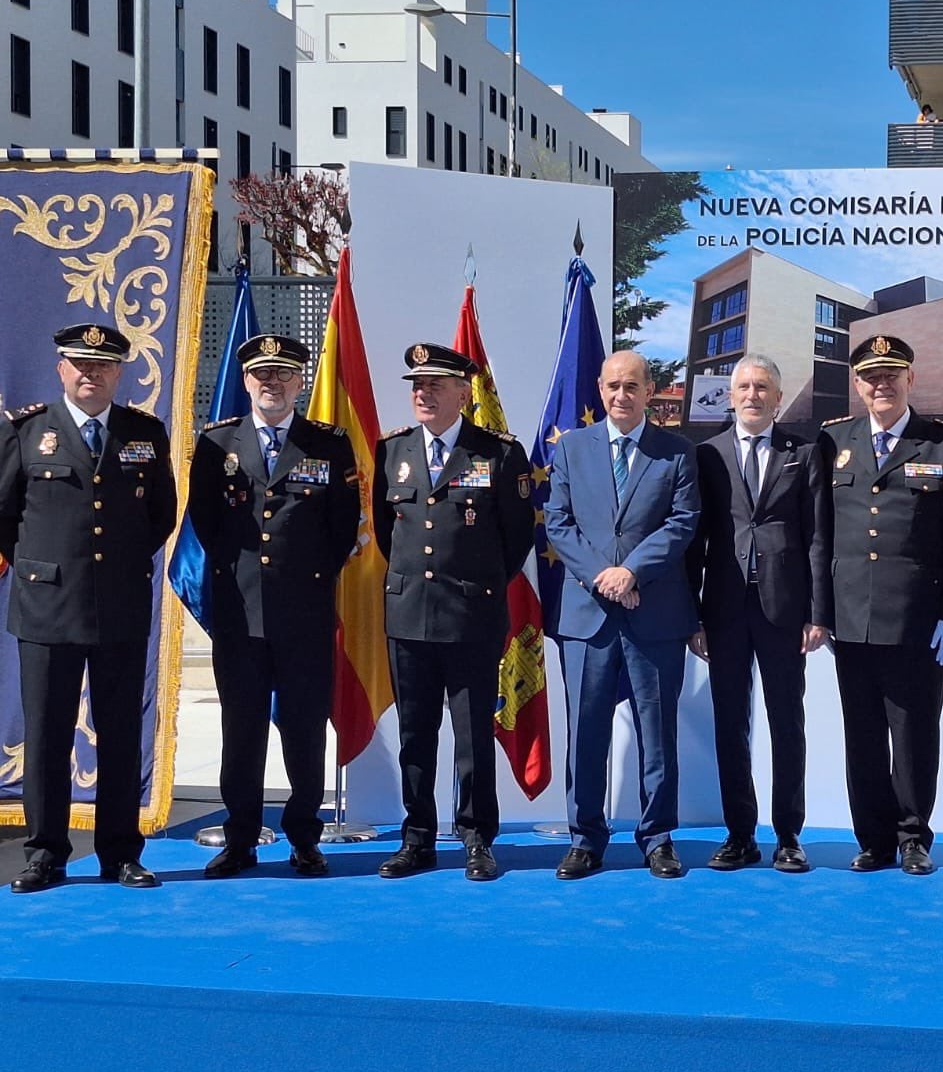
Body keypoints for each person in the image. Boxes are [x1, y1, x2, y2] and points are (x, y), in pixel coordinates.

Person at [0, 323, 176, 892]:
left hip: (118, 605)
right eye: (80, 364)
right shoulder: (25, 430)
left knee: (119, 733)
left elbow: (160, 513)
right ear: (61, 369)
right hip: (46, 609)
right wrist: (40, 568)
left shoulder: (144, 433)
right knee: (47, 734)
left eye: (103, 366)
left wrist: (115, 566)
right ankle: (45, 854)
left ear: (120, 373)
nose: (91, 374)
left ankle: (120, 853)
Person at [187, 334, 360, 880]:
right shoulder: (218, 443)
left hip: (304, 611)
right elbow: (206, 523)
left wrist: (302, 581)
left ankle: (305, 839)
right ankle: (240, 839)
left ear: (299, 382)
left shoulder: (328, 443)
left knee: (305, 728)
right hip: (239, 612)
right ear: (245, 381)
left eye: (284, 374)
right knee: (241, 730)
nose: (272, 383)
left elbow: (340, 529)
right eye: (262, 374)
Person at [819, 335, 943, 875]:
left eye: (891, 374)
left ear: (910, 379)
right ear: (858, 385)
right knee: (861, 734)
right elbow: (820, 535)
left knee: (913, 733)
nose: (881, 384)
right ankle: (873, 838)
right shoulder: (832, 442)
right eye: (871, 376)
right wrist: (821, 612)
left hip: (916, 620)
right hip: (851, 619)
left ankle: (914, 837)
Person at [372, 344, 533, 881]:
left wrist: (474, 586)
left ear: (464, 392)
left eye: (436, 384)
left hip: (470, 616)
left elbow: (516, 539)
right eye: (417, 385)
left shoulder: (499, 453)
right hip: (408, 616)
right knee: (416, 735)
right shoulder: (390, 450)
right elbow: (385, 530)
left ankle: (477, 838)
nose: (423, 393)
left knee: (471, 737)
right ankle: (416, 838)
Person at [544, 350, 700, 879]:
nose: (621, 395)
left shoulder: (676, 452)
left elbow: (683, 522)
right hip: (587, 617)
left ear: (649, 391)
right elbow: (558, 523)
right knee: (585, 733)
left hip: (653, 613)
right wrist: (603, 577)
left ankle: (657, 837)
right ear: (599, 388)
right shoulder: (571, 450)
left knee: (658, 734)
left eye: (632, 386)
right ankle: (585, 838)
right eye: (613, 386)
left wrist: (632, 572)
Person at [687, 354, 830, 873]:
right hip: (724, 609)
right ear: (730, 395)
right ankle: (739, 834)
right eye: (743, 386)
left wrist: (817, 612)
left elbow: (817, 537)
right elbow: (693, 543)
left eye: (762, 387)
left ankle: (789, 835)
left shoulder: (804, 452)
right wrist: (693, 616)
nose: (752, 395)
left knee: (787, 722)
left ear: (776, 396)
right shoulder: (706, 455)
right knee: (731, 723)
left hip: (785, 609)